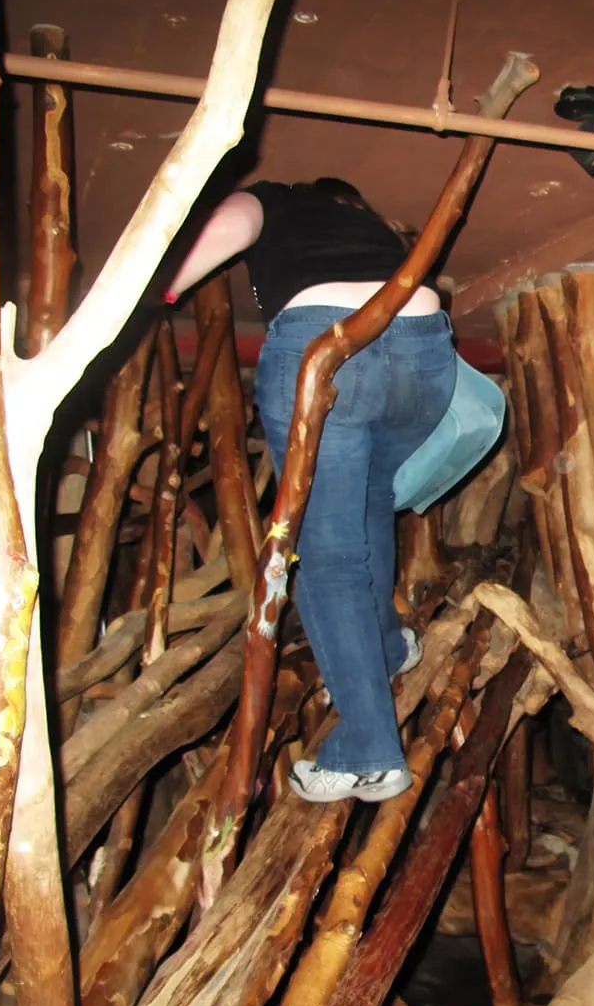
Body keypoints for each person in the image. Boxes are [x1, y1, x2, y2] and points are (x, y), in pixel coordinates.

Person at [166, 177, 455, 804]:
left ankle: (368, 754)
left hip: (327, 345)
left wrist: (160, 288)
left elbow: (224, 230)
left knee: (328, 558)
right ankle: (383, 647)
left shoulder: (276, 197)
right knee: (370, 504)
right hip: (425, 353)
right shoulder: (375, 230)